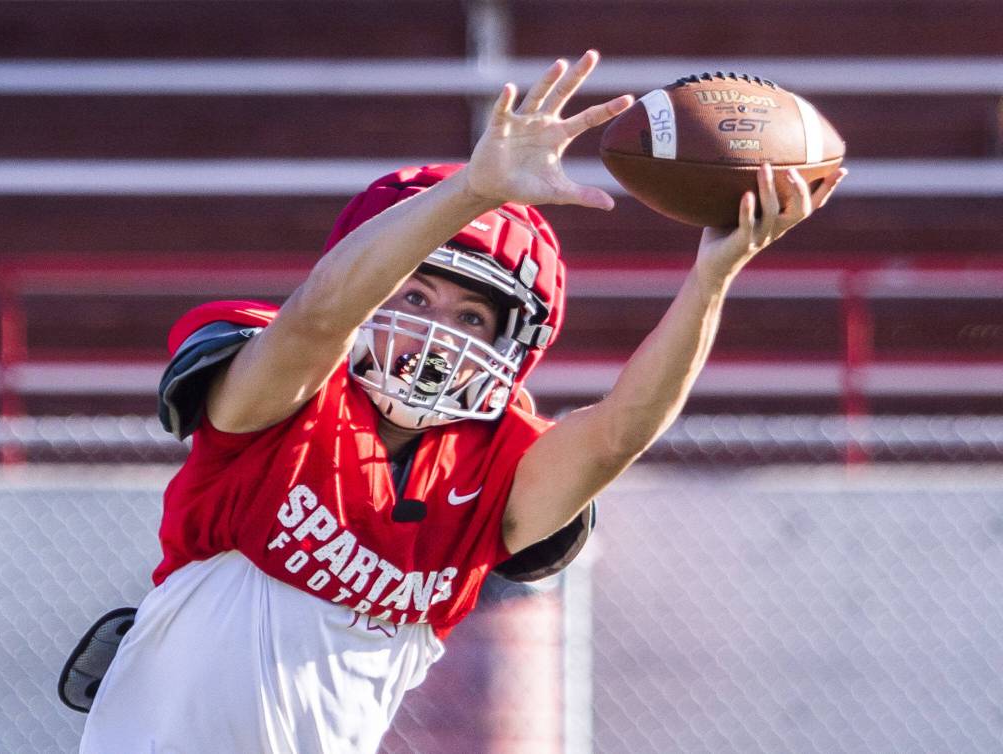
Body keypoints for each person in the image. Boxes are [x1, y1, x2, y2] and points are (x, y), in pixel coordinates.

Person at [76, 51, 846, 753]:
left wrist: (714, 276)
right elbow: (317, 316)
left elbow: (616, 436)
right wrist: (474, 190)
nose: (436, 334)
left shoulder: (493, 465)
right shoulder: (283, 403)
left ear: (517, 342)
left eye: (471, 317)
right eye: (414, 295)